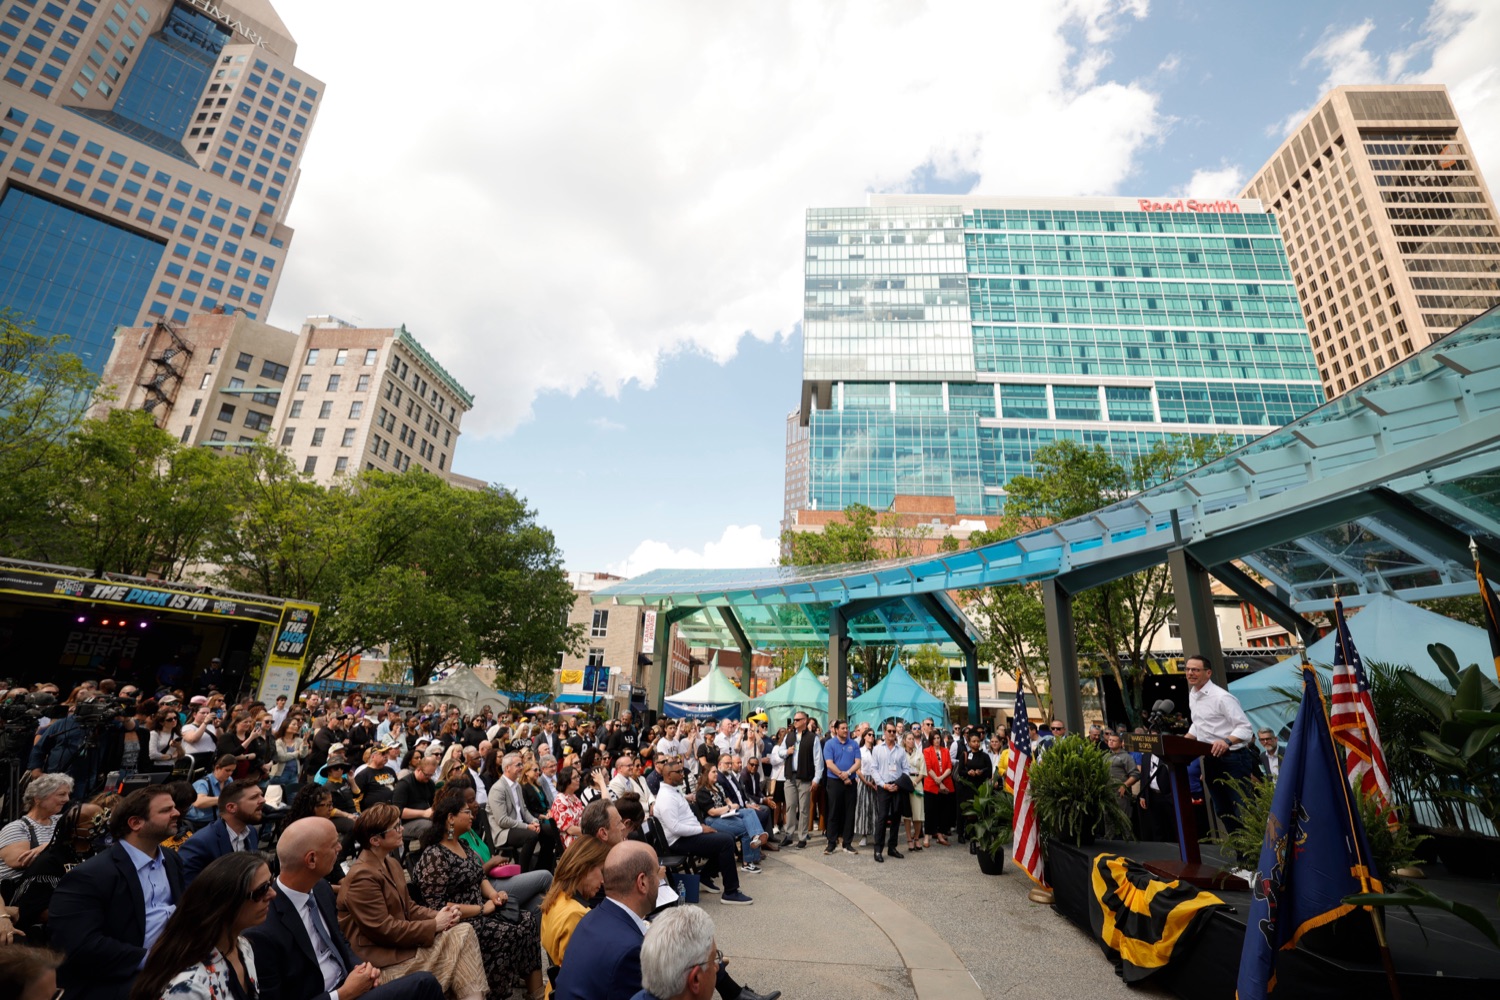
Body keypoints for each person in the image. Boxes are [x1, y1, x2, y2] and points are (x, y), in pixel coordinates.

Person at [248, 815, 444, 1000]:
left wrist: (362, 969)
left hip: (351, 984)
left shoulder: (321, 888)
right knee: (425, 983)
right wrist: (342, 994)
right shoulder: (263, 926)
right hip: (333, 995)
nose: (341, 848)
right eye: (334, 845)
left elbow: (340, 942)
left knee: (426, 982)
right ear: (311, 860)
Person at [336, 805, 486, 1000]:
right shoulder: (362, 876)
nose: (402, 829)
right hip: (383, 964)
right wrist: (434, 924)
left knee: (463, 932)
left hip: (400, 948)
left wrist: (441, 916)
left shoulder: (391, 863)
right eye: (396, 827)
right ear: (375, 840)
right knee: (464, 936)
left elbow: (409, 907)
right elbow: (384, 929)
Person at [49, 786, 186, 1000]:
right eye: (166, 810)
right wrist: (153, 960)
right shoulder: (90, 876)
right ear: (135, 823)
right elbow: (80, 945)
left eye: (174, 808)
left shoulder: (171, 859)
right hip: (115, 980)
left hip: (171, 968)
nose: (177, 813)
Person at [413, 794, 545, 1000]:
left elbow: (479, 877)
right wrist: (482, 909)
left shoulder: (463, 846)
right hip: (458, 922)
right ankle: (494, 993)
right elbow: (437, 906)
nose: (472, 815)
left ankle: (536, 992)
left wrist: (495, 895)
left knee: (527, 920)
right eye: (466, 812)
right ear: (451, 818)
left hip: (481, 910)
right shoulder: (434, 855)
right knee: (505, 933)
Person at [127, 852, 271, 1000]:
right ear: (227, 903)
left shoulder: (242, 945)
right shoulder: (188, 988)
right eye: (262, 890)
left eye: (271, 883)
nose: (272, 894)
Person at [653, 757, 751, 905]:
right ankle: (730, 892)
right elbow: (675, 828)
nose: (683, 774)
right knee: (725, 842)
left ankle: (704, 876)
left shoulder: (673, 791)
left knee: (728, 837)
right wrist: (701, 829)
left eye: (682, 770)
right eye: (678, 772)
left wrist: (700, 828)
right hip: (679, 841)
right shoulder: (666, 797)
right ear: (668, 775)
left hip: (689, 834)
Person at [10, 801, 106, 940]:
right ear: (73, 830)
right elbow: (34, 911)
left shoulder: (99, 852)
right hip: (55, 933)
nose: (101, 825)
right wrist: (86, 912)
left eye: (104, 818)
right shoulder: (50, 862)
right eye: (96, 821)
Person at [1183, 654, 1255, 831]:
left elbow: (1245, 728)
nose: (1190, 673)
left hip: (1234, 759)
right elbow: (1200, 724)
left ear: (1208, 673)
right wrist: (1184, 742)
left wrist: (1226, 741)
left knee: (1243, 810)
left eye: (1195, 670)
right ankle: (1240, 855)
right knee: (1222, 810)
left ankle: (1255, 855)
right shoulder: (1194, 694)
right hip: (1210, 759)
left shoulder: (1222, 697)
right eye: (1187, 669)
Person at [539, 835, 612, 977]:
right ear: (585, 868)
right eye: (601, 871)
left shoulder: (555, 897)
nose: (603, 881)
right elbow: (581, 972)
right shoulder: (577, 914)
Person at [0, 772, 73, 900]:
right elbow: (20, 860)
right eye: (61, 794)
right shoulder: (17, 827)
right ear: (38, 798)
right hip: (23, 895)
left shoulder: (62, 821)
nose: (67, 799)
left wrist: (43, 848)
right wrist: (50, 846)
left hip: (56, 887)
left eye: (68, 794)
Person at [178, 779, 264, 886]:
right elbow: (189, 891)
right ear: (231, 807)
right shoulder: (200, 843)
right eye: (254, 797)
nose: (263, 800)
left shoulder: (251, 832)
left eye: (261, 795)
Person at [693, 765, 765, 874]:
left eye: (717, 772)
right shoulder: (702, 791)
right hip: (712, 820)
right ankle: (748, 862)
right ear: (705, 774)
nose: (716, 774)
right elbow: (712, 812)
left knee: (750, 812)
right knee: (746, 827)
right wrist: (730, 807)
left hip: (725, 815)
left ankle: (756, 837)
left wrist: (731, 805)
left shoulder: (717, 786)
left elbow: (727, 800)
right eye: (713, 772)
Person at [488, 752, 543, 871]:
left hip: (518, 826)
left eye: (521, 764)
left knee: (547, 831)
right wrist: (527, 826)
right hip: (504, 831)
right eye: (518, 765)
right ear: (507, 768)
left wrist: (534, 821)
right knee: (531, 836)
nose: (522, 768)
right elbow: (502, 820)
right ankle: (522, 872)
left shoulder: (517, 786)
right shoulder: (498, 788)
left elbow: (523, 810)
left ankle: (543, 869)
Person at [778, 712, 822, 849]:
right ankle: (789, 835)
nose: (795, 722)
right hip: (790, 776)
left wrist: (816, 779)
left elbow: (818, 760)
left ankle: (802, 837)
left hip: (805, 778)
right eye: (794, 719)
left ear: (805, 721)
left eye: (798, 720)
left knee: (803, 808)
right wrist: (787, 752)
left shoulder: (812, 738)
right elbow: (780, 752)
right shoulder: (789, 736)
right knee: (790, 806)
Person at [866, 722, 909, 863]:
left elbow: (906, 770)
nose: (891, 734)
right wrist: (883, 785)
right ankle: (878, 849)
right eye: (889, 731)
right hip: (884, 787)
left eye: (893, 731)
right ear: (884, 732)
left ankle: (892, 847)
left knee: (897, 817)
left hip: (897, 787)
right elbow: (873, 769)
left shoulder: (901, 751)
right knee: (882, 818)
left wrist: (898, 784)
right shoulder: (877, 749)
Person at [821, 720, 859, 856]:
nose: (846, 730)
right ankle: (831, 842)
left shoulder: (853, 744)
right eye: (843, 728)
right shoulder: (829, 744)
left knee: (850, 812)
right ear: (836, 730)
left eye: (847, 728)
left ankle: (847, 843)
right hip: (834, 781)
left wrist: (848, 774)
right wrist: (842, 776)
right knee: (833, 811)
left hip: (851, 781)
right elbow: (829, 764)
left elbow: (858, 762)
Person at [954, 731, 992, 841]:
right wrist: (968, 772)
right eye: (973, 741)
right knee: (963, 810)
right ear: (969, 743)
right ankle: (961, 833)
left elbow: (989, 771)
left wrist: (981, 772)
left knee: (976, 812)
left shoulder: (984, 756)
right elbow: (960, 771)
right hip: (965, 787)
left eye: (978, 741)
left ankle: (973, 833)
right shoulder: (965, 754)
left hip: (978, 787)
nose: (976, 743)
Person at [393, 754, 439, 842]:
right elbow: (398, 811)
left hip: (425, 819)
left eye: (431, 775)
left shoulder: (429, 783)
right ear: (418, 770)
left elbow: (434, 802)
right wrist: (423, 813)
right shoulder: (404, 784)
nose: (428, 778)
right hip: (405, 824)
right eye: (426, 775)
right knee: (430, 826)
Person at [1104, 732, 1140, 836]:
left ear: (1121, 743)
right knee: (1108, 820)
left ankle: (1128, 846)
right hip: (1108, 794)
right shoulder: (1106, 756)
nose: (1111, 742)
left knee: (1124, 821)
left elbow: (1136, 774)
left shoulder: (1126, 757)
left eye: (1114, 740)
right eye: (1109, 740)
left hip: (1121, 794)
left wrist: (1125, 785)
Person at [922, 729, 954, 847]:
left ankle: (940, 834)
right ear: (931, 740)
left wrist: (941, 779)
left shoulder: (945, 751)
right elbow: (928, 767)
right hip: (931, 784)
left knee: (943, 811)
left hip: (945, 782)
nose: (937, 740)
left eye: (938, 738)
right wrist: (938, 780)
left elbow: (949, 767)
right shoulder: (927, 751)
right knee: (930, 811)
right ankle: (927, 835)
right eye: (934, 738)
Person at [186, 755, 237, 829]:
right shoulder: (203, 783)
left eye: (232, 771)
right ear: (217, 768)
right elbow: (198, 802)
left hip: (216, 822)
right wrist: (223, 799)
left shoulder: (229, 780)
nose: (230, 773)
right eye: (227, 770)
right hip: (197, 823)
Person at [547, 766, 587, 847]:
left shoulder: (573, 796)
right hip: (571, 840)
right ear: (566, 781)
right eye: (575, 777)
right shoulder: (560, 801)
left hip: (581, 834)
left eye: (578, 776)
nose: (578, 779)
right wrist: (590, 832)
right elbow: (571, 830)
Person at [903, 730, 927, 851]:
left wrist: (915, 782)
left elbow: (923, 772)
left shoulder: (920, 754)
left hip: (917, 783)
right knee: (907, 814)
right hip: (905, 783)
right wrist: (908, 782)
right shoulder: (901, 753)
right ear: (904, 741)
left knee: (918, 814)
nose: (911, 741)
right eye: (909, 739)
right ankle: (908, 839)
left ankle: (917, 838)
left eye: (913, 739)